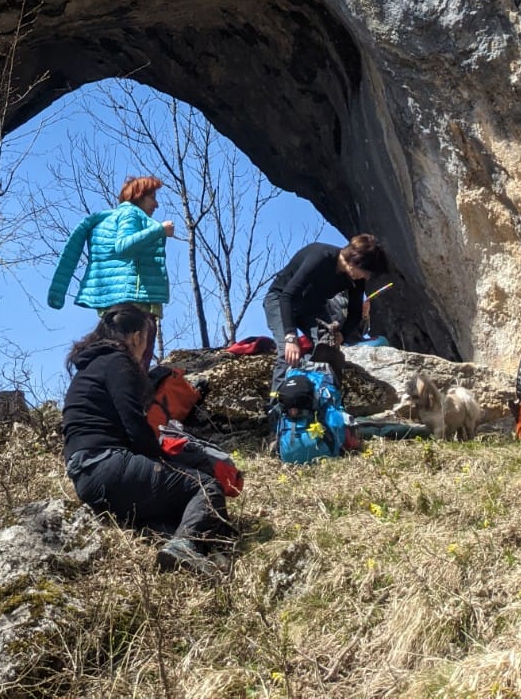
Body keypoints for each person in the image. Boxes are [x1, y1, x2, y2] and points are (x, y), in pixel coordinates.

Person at [61, 303, 228, 574]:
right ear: (137, 336)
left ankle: (178, 544)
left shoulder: (90, 366)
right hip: (106, 463)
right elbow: (135, 426)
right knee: (205, 487)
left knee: (173, 504)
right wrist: (166, 459)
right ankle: (184, 547)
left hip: (86, 474)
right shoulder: (118, 361)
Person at [47, 176, 174, 318]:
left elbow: (69, 256)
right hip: (133, 301)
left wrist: (56, 294)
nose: (156, 204)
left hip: (109, 301)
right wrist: (160, 230)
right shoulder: (130, 214)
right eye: (152, 198)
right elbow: (123, 246)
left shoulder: (107, 219)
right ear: (139, 196)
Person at [263, 233, 390, 369]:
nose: (366, 276)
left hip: (312, 307)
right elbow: (288, 295)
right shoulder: (320, 256)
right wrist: (290, 336)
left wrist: (342, 334)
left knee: (328, 350)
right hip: (280, 299)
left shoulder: (356, 280)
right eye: (366, 272)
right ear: (356, 261)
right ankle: (279, 390)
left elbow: (355, 311)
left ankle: (317, 384)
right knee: (288, 353)